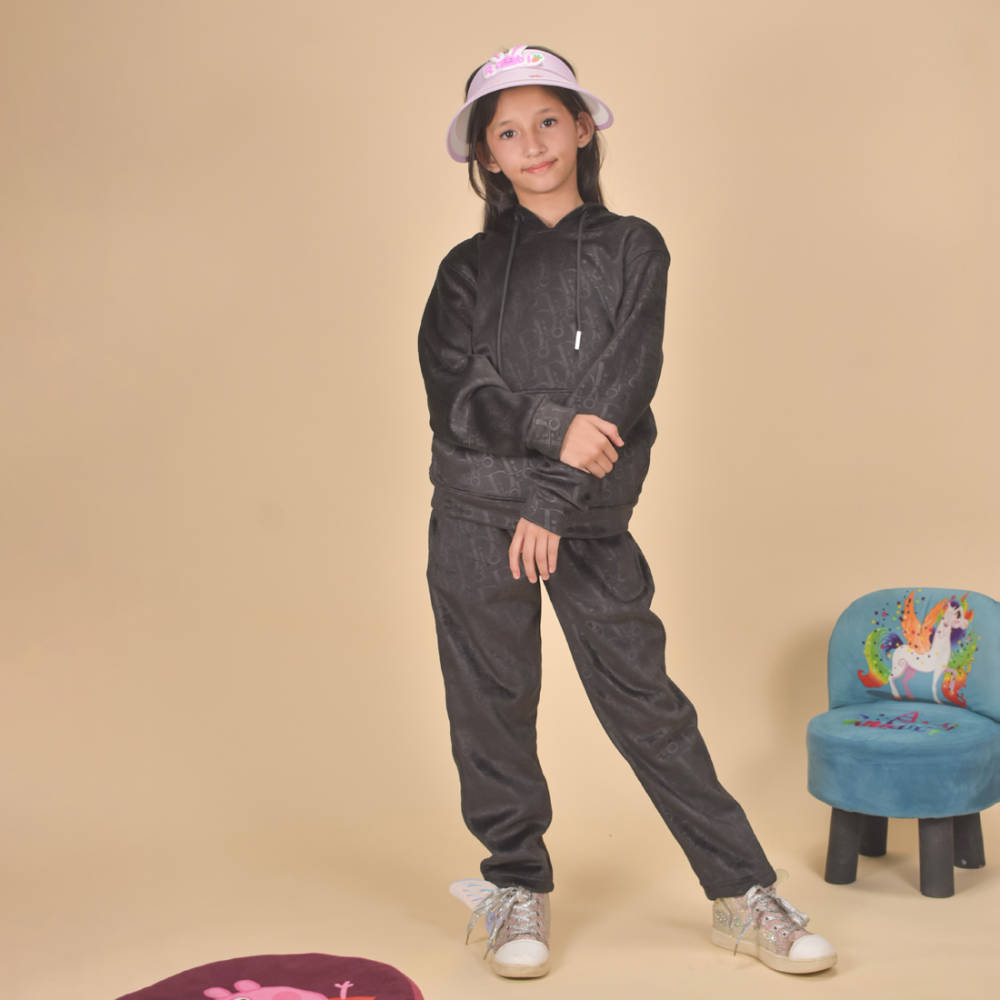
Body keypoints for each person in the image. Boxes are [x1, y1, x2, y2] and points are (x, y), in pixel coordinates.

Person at [418, 45, 837, 980]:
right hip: (474, 516)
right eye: (508, 132)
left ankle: (742, 894)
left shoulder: (632, 248)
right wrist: (548, 432)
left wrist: (551, 502)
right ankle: (514, 885)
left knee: (649, 709)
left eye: (548, 121)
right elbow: (457, 395)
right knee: (490, 707)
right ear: (486, 155)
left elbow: (623, 383)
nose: (532, 144)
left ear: (582, 127)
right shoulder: (465, 269)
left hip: (583, 520)